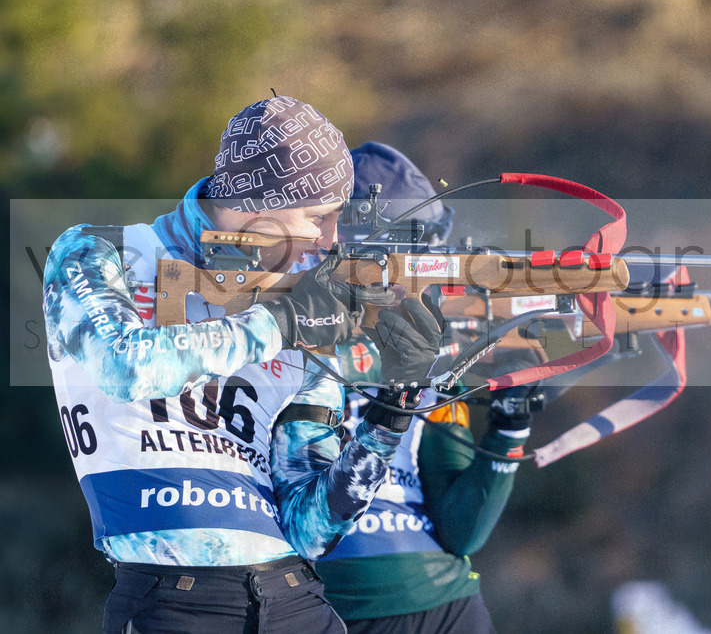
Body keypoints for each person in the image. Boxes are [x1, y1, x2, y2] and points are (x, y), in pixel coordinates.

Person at [42, 97, 437, 632]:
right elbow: (123, 368)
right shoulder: (102, 251)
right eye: (318, 217)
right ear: (262, 205)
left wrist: (389, 417)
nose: (330, 240)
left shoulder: (303, 302)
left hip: (295, 596)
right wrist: (279, 324)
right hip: (175, 599)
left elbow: (310, 530)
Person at [271, 142, 541, 633]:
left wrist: (509, 424)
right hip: (321, 603)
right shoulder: (277, 329)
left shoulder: (433, 349)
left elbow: (461, 532)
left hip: (445, 600)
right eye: (418, 256)